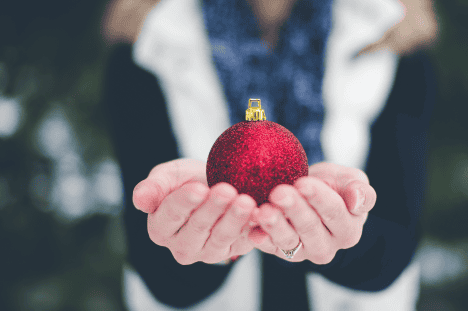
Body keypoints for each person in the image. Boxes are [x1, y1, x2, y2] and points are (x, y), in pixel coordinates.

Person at [100, 0, 438, 310]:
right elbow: (158, 269)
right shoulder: (150, 42)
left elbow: (396, 237)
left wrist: (334, 240)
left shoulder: (392, 36)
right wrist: (210, 248)